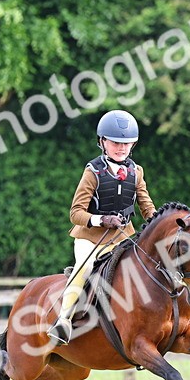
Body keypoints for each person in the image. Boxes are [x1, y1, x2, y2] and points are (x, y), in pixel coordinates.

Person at [47, 109, 157, 344]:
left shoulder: (136, 172)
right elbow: (75, 213)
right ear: (102, 142)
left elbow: (146, 205)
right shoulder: (93, 172)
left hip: (122, 238)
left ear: (133, 144)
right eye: (115, 142)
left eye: (126, 143)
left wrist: (158, 222)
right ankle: (63, 321)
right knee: (85, 268)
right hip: (91, 239)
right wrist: (101, 220)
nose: (121, 148)